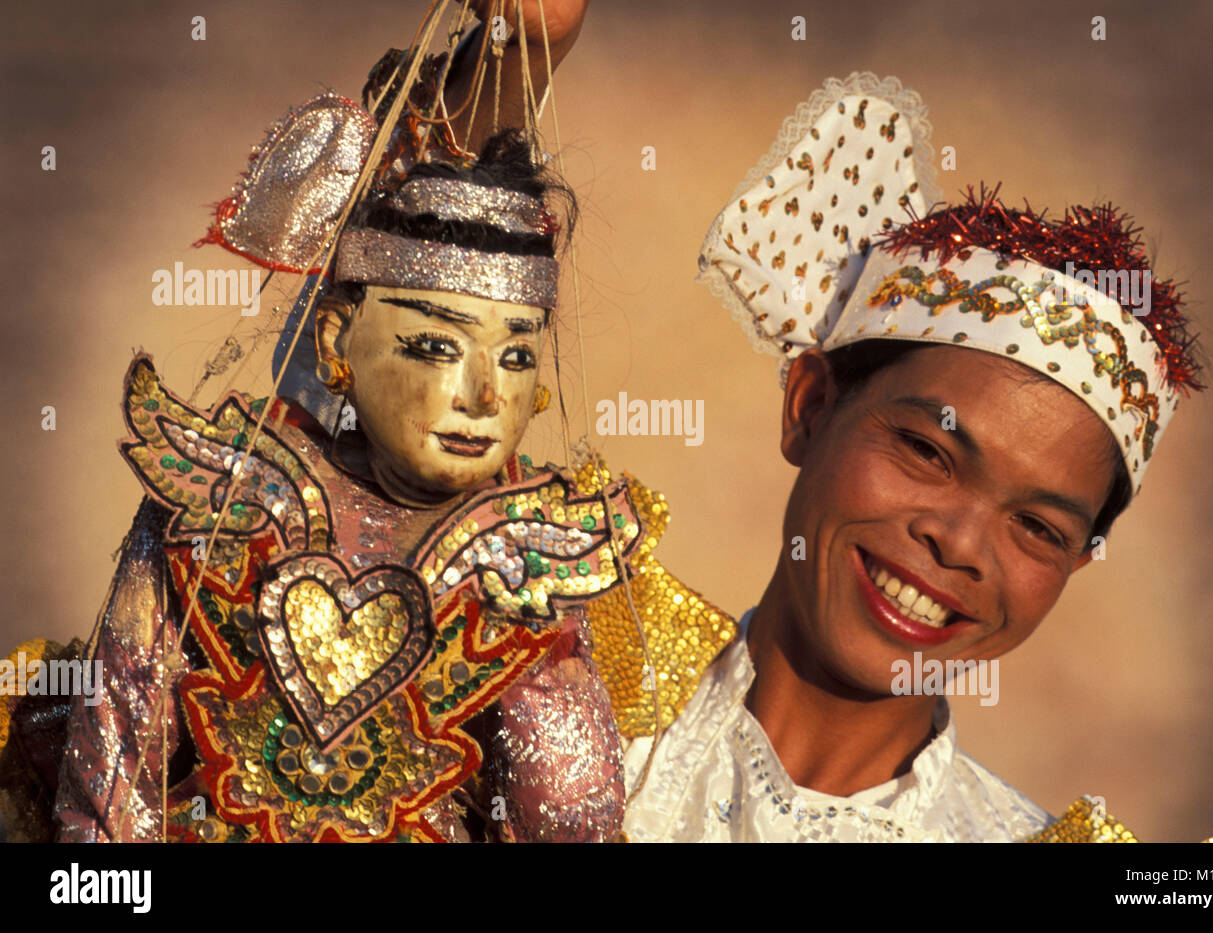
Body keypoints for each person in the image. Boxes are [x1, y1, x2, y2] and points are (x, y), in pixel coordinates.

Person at [0, 0, 736, 843]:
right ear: (336, 340)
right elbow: (105, 803)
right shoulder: (219, 498)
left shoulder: (525, 559)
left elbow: (566, 819)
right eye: (435, 345)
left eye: (519, 356)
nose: (485, 395)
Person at [620, 72, 1212, 842]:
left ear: (1075, 564)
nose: (959, 543)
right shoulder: (545, 686)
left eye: (1036, 526)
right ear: (811, 406)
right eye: (928, 451)